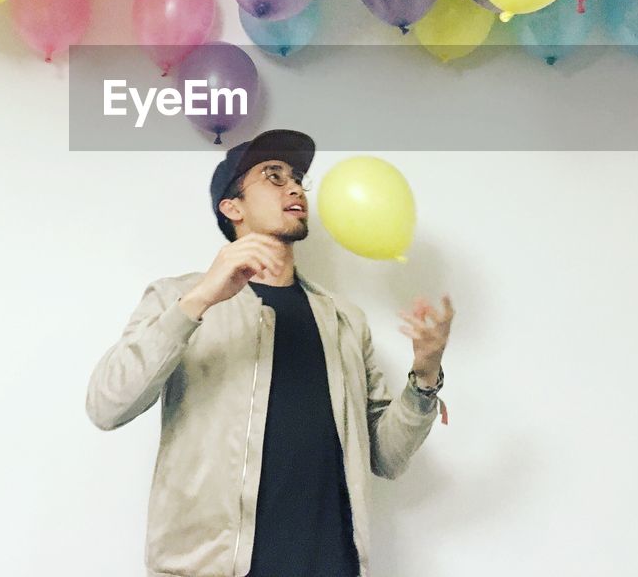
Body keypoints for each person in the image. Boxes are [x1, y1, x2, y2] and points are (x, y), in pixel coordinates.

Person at [86, 129, 453, 577]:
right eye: (273, 176)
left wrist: (425, 376)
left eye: (297, 177)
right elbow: (107, 405)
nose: (295, 187)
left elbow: (387, 458)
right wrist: (199, 300)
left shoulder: (344, 320)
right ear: (232, 207)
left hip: (331, 565)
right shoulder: (177, 298)